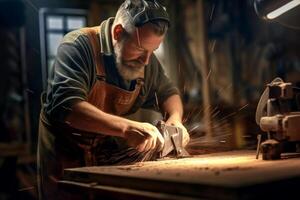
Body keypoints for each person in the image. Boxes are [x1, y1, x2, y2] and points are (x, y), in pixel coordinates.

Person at [37, 0, 190, 199]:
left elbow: (168, 93)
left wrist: (175, 120)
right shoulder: (78, 46)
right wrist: (126, 128)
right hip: (64, 152)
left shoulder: (146, 59)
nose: (146, 60)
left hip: (104, 151)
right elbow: (68, 106)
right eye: (140, 49)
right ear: (118, 33)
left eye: (153, 51)